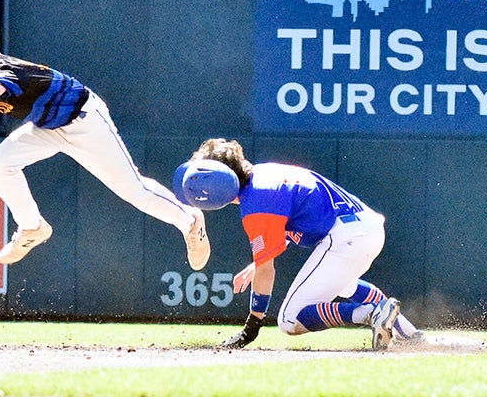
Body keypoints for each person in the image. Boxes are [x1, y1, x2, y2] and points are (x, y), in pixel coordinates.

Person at [0, 1, 210, 269]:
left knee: (133, 190)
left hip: (84, 122)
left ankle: (190, 221)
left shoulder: (0, 78)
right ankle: (31, 227)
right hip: (47, 127)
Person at [173, 138, 423, 350]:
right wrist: (256, 264)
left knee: (289, 319)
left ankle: (370, 313)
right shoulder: (264, 175)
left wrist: (252, 327)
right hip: (364, 228)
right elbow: (288, 220)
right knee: (344, 286)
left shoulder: (256, 203)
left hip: (346, 236)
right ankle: (408, 335)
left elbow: (266, 271)